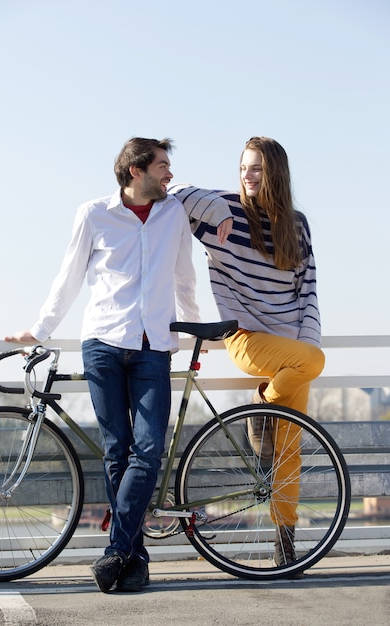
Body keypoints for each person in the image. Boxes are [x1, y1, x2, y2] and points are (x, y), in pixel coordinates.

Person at [5, 137, 232, 593]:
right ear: (136, 171)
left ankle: (116, 551)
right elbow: (68, 276)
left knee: (147, 451)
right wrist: (41, 330)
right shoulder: (93, 213)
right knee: (117, 451)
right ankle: (136, 560)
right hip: (104, 343)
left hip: (153, 346)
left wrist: (190, 329)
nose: (170, 173)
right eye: (163, 166)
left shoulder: (173, 213)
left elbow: (183, 274)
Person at [170, 136, 325, 567]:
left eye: (256, 168)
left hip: (291, 347)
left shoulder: (298, 225)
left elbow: (308, 293)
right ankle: (262, 408)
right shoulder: (226, 210)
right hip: (246, 338)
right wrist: (218, 209)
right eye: (243, 167)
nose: (247, 175)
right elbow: (173, 191)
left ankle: (285, 543)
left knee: (290, 445)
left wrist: (306, 339)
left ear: (275, 172)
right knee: (314, 364)